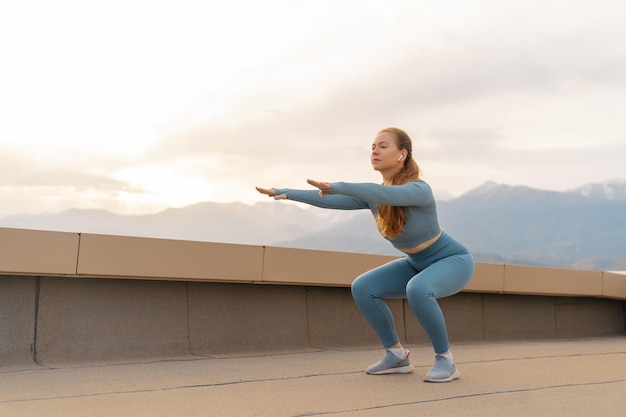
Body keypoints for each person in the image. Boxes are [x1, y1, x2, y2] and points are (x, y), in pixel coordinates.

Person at [255, 127, 475, 382]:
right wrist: (286, 192)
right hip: (416, 263)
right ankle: (396, 356)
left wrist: (338, 186)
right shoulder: (374, 196)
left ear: (402, 154)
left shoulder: (419, 190)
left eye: (382, 146)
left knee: (418, 288)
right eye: (372, 146)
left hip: (452, 261)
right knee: (363, 286)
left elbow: (382, 193)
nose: (374, 151)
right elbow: (328, 200)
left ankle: (446, 361)